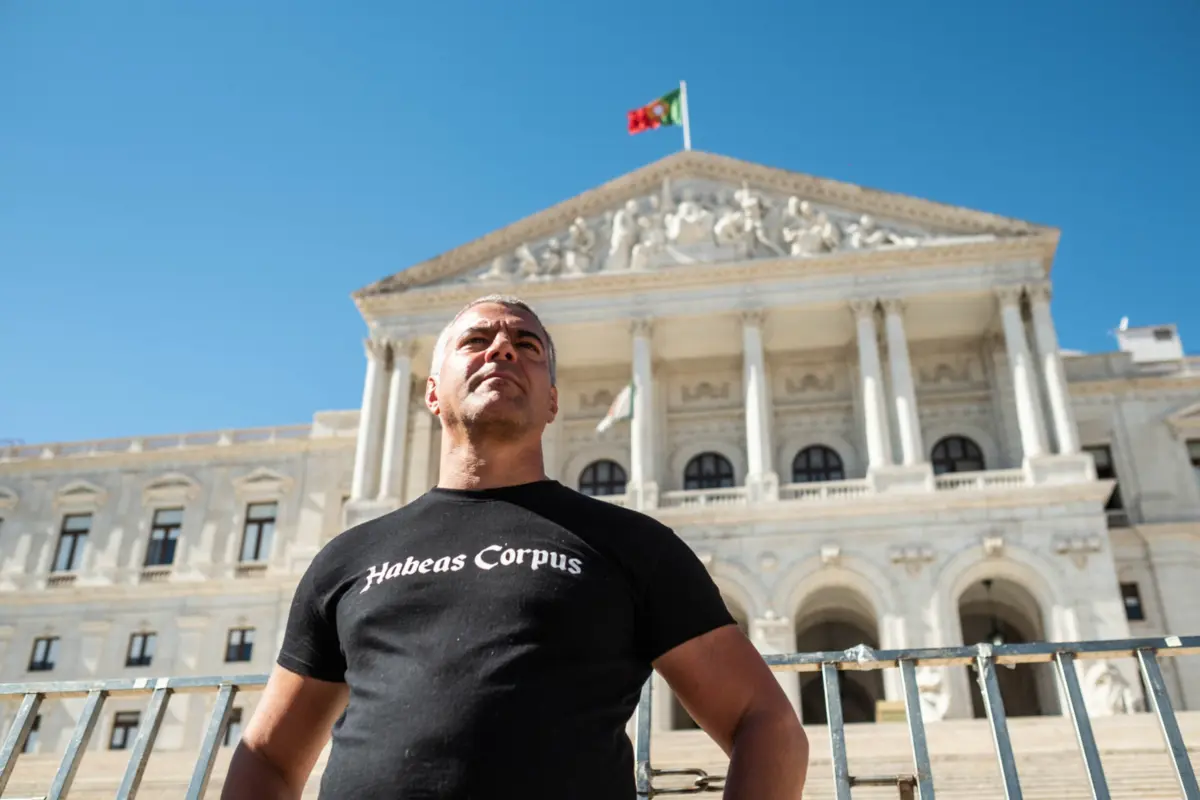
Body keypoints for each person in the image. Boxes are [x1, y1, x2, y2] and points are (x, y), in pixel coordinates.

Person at [223, 295, 808, 799]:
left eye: (527, 345)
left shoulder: (632, 544)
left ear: (553, 401)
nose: (502, 349)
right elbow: (268, 757)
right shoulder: (347, 557)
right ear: (431, 393)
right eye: (477, 339)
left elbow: (768, 723)